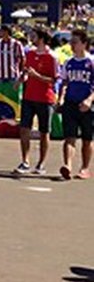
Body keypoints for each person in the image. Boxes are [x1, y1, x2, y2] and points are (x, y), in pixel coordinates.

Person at [15, 28, 58, 174]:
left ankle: (41, 163)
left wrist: (37, 75)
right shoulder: (30, 54)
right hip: (29, 96)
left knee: (44, 132)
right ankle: (25, 161)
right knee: (24, 129)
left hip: (45, 98)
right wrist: (21, 79)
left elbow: (53, 80)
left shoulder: (52, 57)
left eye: (34, 36)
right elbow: (26, 71)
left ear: (41, 38)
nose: (31, 38)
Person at [59, 28, 93, 180]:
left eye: (75, 42)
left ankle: (85, 168)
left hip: (87, 104)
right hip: (71, 103)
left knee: (87, 138)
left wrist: (90, 99)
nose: (72, 45)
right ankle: (68, 165)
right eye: (71, 42)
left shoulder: (91, 62)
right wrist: (61, 97)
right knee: (69, 137)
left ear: (84, 44)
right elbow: (64, 81)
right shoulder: (69, 63)